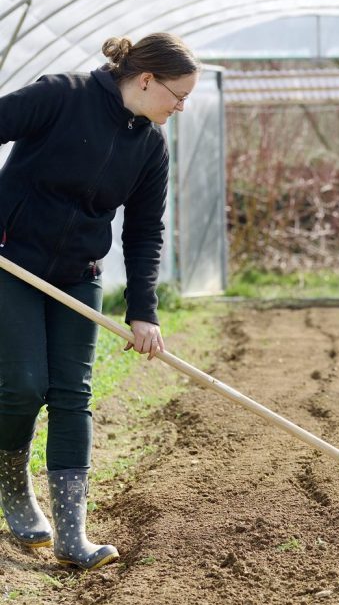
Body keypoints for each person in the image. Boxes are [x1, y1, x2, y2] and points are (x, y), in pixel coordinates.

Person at [0, 32, 200, 569]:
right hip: (10, 263)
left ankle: (71, 535)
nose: (182, 106)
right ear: (145, 79)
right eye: (177, 95)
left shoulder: (150, 146)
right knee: (22, 386)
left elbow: (144, 231)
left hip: (77, 275)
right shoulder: (60, 95)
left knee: (72, 395)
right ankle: (15, 488)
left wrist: (143, 311)